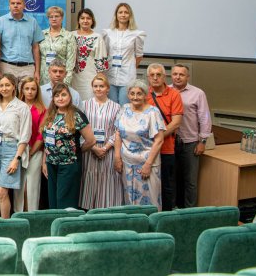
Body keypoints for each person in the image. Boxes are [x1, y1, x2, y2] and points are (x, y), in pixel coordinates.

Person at [41, 82, 96, 209]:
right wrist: (44, 162)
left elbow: (91, 140)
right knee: (53, 202)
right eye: (57, 95)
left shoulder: (77, 115)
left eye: (63, 95)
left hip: (69, 165)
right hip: (51, 164)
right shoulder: (50, 114)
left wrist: (77, 151)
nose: (60, 98)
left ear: (70, 97)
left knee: (64, 203)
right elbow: (47, 140)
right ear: (53, 99)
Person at [114, 80, 166, 210]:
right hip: (127, 164)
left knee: (150, 201)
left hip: (147, 164)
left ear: (145, 95)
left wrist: (148, 164)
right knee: (129, 200)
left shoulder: (153, 112)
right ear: (128, 95)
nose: (135, 97)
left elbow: (159, 140)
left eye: (139, 94)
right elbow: (118, 134)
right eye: (132, 93)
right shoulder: (124, 109)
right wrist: (117, 157)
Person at [170, 64, 212, 208]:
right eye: (175, 74)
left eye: (181, 74)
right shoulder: (166, 91)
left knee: (190, 181)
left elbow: (205, 118)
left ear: (188, 77)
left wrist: (202, 141)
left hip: (190, 142)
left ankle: (190, 211)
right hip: (169, 142)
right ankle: (172, 210)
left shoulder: (198, 93)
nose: (178, 77)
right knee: (171, 179)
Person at [79, 74, 123, 209]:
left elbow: (118, 130)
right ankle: (87, 210)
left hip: (108, 151)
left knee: (107, 180)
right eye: (95, 86)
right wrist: (93, 147)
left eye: (101, 86)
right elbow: (79, 129)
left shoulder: (116, 107)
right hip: (89, 150)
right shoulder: (84, 105)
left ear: (108, 88)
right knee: (89, 178)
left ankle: (106, 210)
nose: (98, 89)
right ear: (92, 88)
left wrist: (105, 148)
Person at [0, 74, 31, 218]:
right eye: (1, 85)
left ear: (14, 87)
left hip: (11, 149)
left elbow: (25, 136)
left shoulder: (22, 107)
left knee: (1, 191)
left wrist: (16, 159)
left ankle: (5, 224)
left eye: (7, 85)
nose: (4, 88)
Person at [146, 63, 183, 211]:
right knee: (148, 184)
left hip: (166, 149)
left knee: (167, 185)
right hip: (147, 149)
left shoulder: (174, 94)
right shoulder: (143, 94)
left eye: (158, 75)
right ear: (148, 77)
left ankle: (167, 216)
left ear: (164, 77)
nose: (155, 78)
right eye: (152, 75)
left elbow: (176, 123)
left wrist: (157, 137)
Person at [0, 0, 44, 83]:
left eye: (18, 3)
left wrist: (37, 71)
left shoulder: (32, 22)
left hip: (28, 68)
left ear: (24, 6)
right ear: (9, 5)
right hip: (7, 67)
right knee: (8, 92)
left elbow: (35, 48)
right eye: (13, 3)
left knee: (27, 92)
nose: (15, 6)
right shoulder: (0, 22)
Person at [103, 3, 146, 105]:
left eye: (126, 12)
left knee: (124, 106)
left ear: (130, 15)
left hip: (127, 77)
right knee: (112, 107)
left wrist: (131, 67)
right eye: (120, 12)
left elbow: (139, 56)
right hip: (110, 75)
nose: (123, 15)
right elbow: (105, 53)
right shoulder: (108, 33)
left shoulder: (137, 34)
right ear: (116, 15)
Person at [19, 76, 47, 211]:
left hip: (35, 151)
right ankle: (18, 215)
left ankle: (31, 215)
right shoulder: (17, 107)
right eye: (27, 88)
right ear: (22, 90)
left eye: (33, 89)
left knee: (31, 187)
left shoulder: (42, 109)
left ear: (37, 91)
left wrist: (30, 153)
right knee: (20, 188)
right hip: (18, 152)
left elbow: (41, 135)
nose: (30, 92)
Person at [71, 8, 109, 102]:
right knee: (73, 102)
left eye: (88, 18)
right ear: (78, 20)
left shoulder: (97, 37)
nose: (85, 21)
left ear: (92, 21)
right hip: (73, 78)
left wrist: (99, 80)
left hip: (90, 78)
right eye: (82, 18)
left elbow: (101, 61)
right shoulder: (71, 35)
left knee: (89, 103)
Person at [38, 6, 76, 86]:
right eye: (51, 17)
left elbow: (71, 60)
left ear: (62, 18)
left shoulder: (69, 36)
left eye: (56, 16)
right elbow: (37, 56)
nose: (54, 19)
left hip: (60, 76)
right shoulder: (41, 34)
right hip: (43, 76)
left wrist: (66, 80)